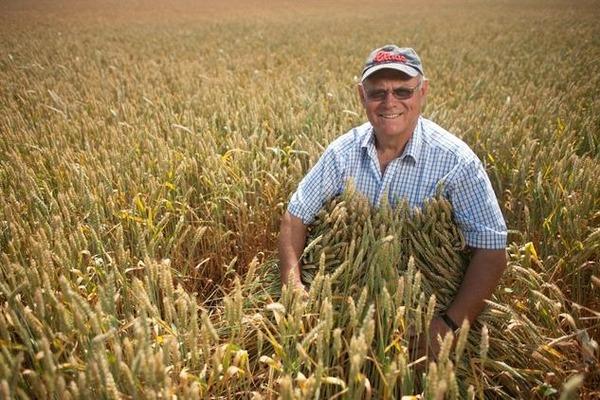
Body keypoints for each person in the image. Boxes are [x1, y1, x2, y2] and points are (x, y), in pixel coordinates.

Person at [277, 44, 507, 357]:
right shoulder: (341, 154)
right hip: (345, 324)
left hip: (424, 324)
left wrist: (450, 324)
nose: (390, 102)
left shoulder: (456, 162)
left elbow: (492, 250)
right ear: (362, 96)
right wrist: (293, 283)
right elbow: (295, 215)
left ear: (423, 91)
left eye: (403, 91)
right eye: (377, 93)